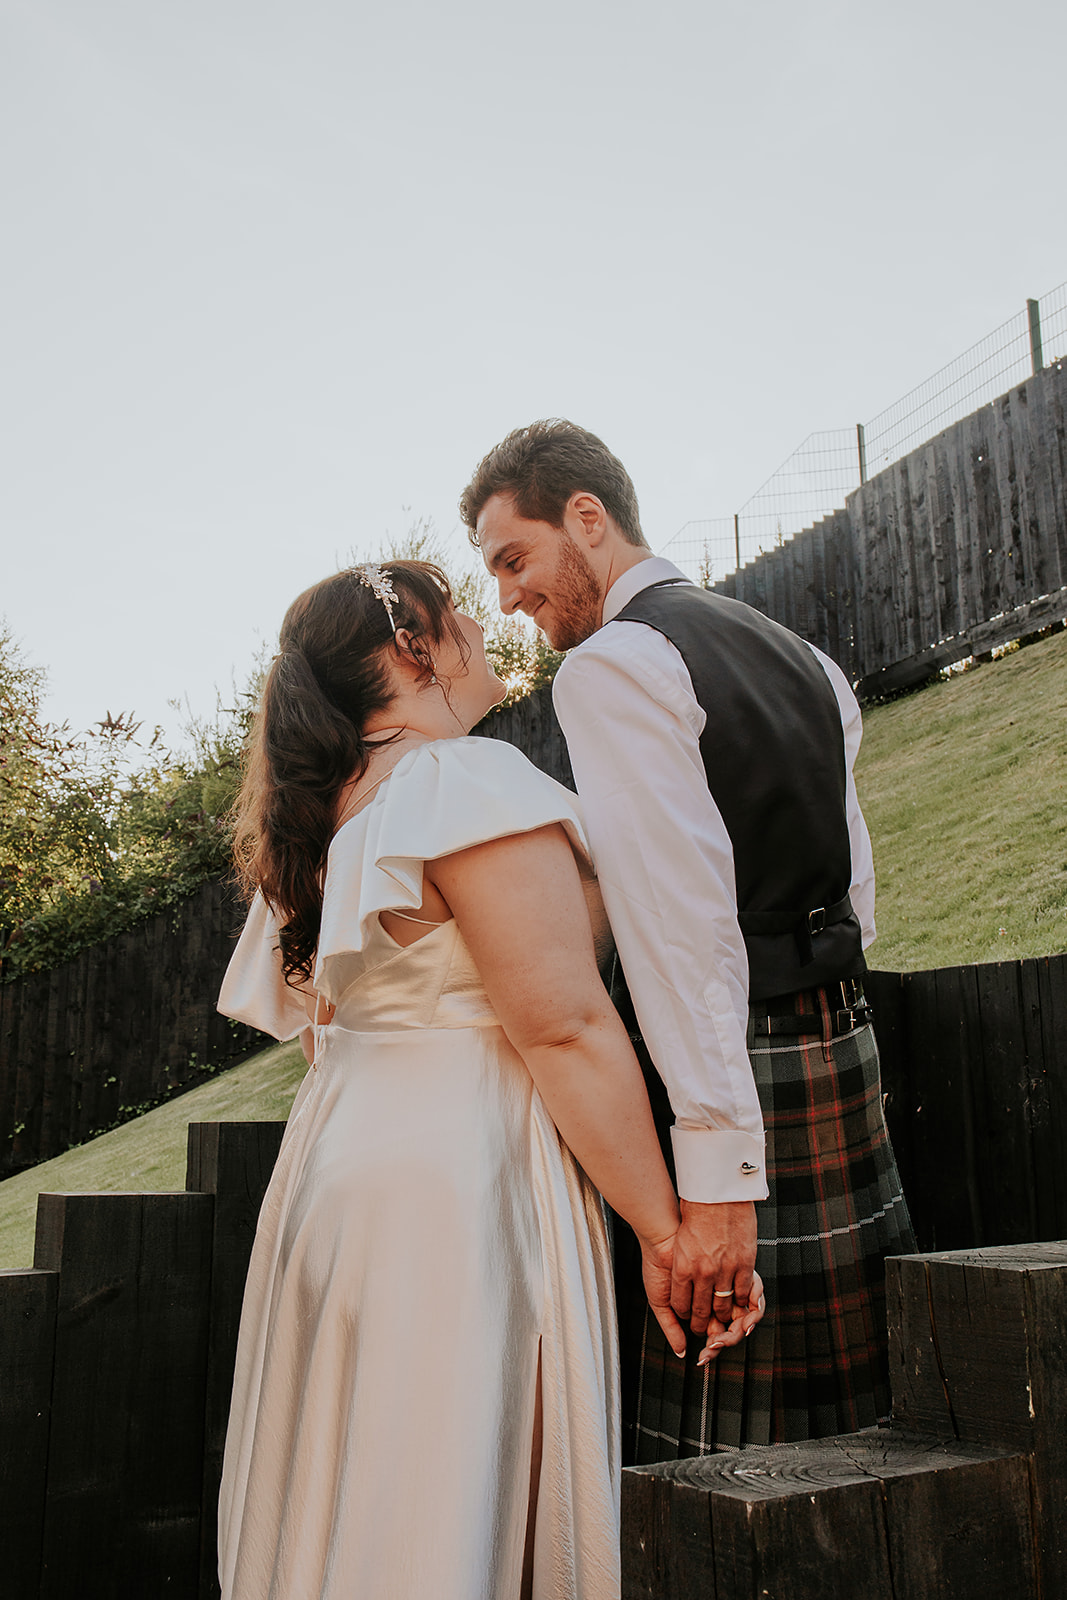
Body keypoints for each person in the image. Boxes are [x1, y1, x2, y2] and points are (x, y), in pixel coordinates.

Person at [215, 559, 764, 1600]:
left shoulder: (333, 810)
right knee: (437, 1494)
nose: (479, 618)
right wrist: (665, 1230)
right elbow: (560, 1025)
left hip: (342, 1168)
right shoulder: (456, 780)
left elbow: (327, 1031)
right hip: (452, 1176)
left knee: (376, 1479)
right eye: (455, 608)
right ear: (411, 647)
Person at [461, 420, 917, 1463]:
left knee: (736, 1466)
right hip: (837, 1048)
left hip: (736, 1078)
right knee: (873, 1427)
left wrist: (713, 1181)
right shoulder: (797, 653)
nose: (507, 598)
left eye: (512, 559)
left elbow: (677, 930)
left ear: (586, 517)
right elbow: (856, 890)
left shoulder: (613, 667)